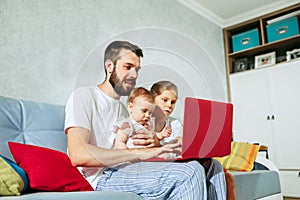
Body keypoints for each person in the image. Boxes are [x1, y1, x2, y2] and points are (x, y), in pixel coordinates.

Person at [64, 40, 213, 199]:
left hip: (128, 167)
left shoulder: (124, 109)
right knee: (189, 172)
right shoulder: (83, 96)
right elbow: (78, 154)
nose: (134, 75)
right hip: (103, 176)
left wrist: (154, 144)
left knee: (210, 165)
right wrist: (138, 153)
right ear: (109, 66)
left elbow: (136, 145)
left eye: (137, 69)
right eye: (128, 67)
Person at [150, 80, 226, 200]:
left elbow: (181, 144)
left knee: (215, 165)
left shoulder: (174, 123)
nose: (169, 105)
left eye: (173, 102)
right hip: (156, 163)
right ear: (152, 99)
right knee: (194, 167)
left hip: (174, 160)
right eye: (165, 100)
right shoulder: (144, 120)